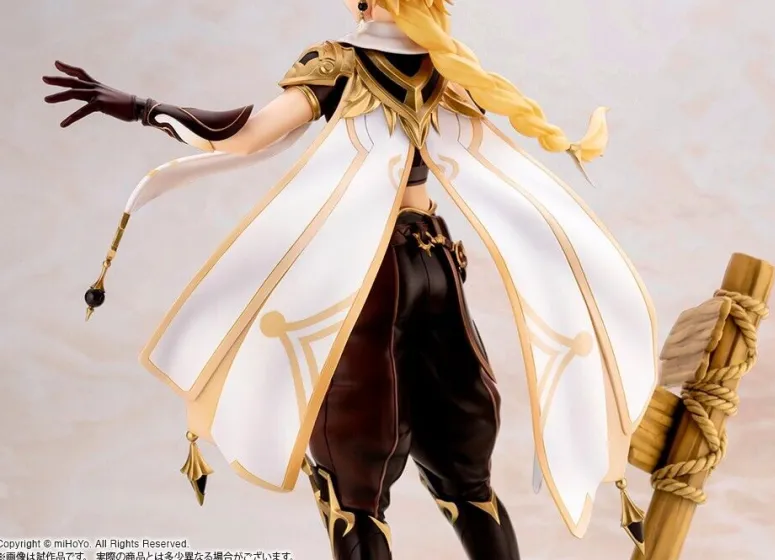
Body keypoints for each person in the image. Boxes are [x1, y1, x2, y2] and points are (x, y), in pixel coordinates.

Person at [43, 1, 659, 559]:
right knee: (465, 477)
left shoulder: (343, 62)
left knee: (355, 487)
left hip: (375, 273)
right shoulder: (444, 64)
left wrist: (141, 108)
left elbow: (242, 135)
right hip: (439, 263)